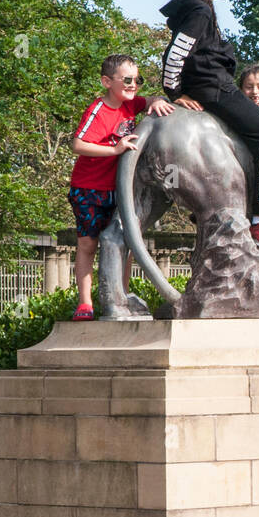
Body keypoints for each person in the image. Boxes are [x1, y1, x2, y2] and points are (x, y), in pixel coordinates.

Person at [160, 0, 259, 253]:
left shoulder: (194, 6)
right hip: (214, 89)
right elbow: (175, 54)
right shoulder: (201, 11)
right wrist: (174, 92)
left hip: (209, 86)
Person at [68, 54, 174, 320]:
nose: (133, 85)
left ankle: (121, 296)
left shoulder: (131, 105)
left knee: (120, 242)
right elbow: (78, 144)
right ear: (106, 81)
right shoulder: (98, 110)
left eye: (137, 80)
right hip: (89, 189)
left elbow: (148, 101)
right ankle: (85, 303)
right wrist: (115, 149)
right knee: (87, 244)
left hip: (120, 189)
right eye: (127, 80)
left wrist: (157, 101)